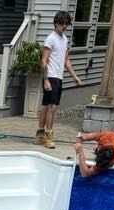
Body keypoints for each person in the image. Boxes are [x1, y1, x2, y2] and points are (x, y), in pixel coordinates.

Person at [35, 11, 82, 149]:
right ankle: (49, 137)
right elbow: (43, 61)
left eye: (66, 24)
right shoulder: (51, 38)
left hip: (58, 77)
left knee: (46, 107)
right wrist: (46, 80)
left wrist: (75, 76)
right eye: (62, 24)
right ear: (56, 23)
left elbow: (66, 61)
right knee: (52, 107)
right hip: (51, 76)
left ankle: (39, 135)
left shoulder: (65, 40)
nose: (64, 26)